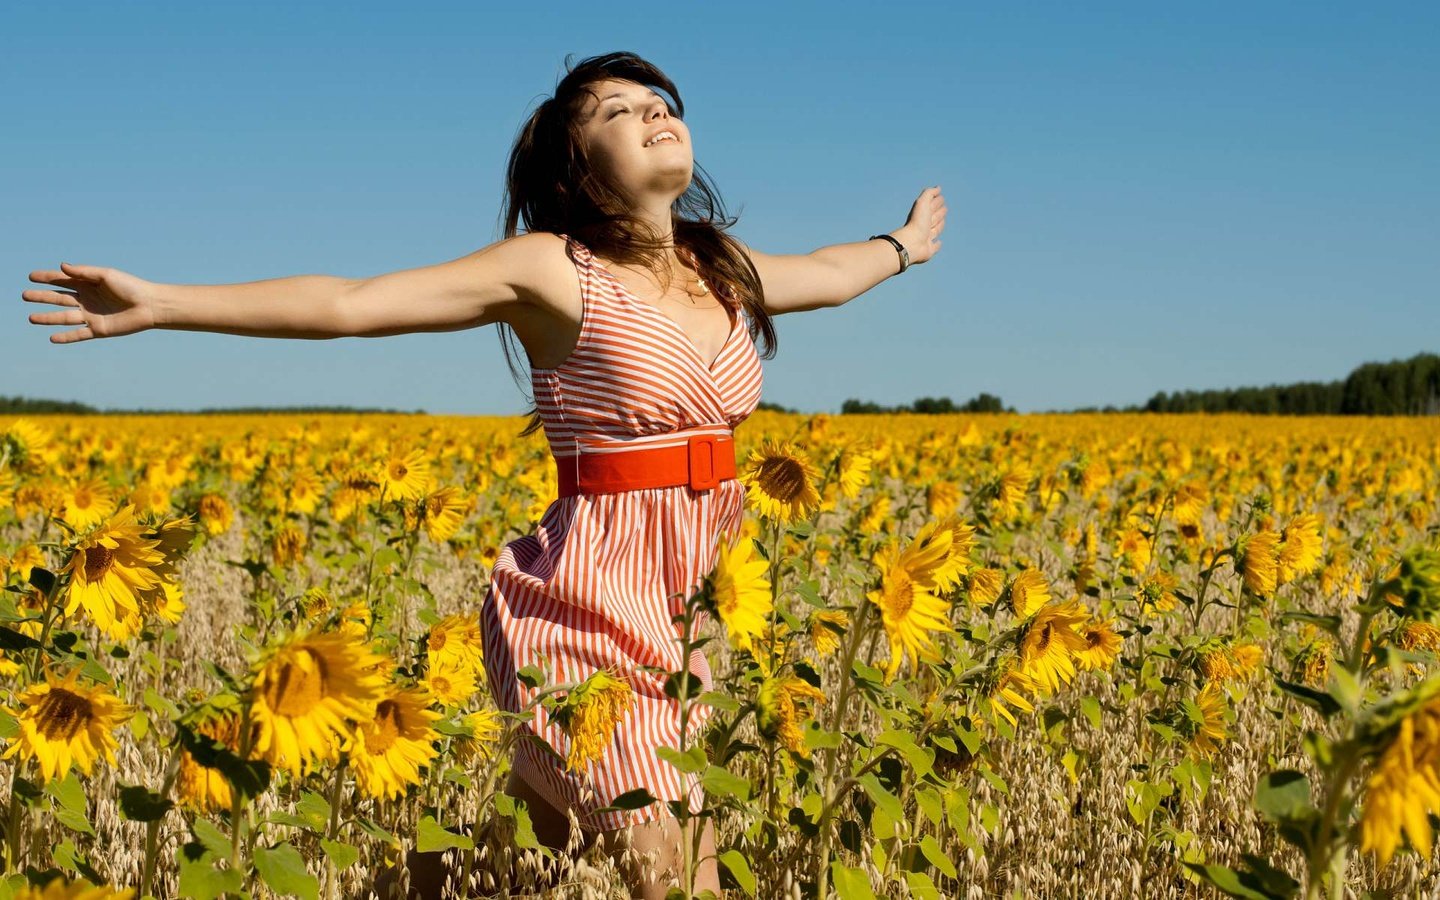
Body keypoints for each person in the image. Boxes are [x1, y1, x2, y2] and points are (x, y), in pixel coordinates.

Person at [22, 50, 945, 899]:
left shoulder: (720, 266)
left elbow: (825, 272)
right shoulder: (553, 271)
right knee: (674, 867)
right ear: (578, 167)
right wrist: (166, 303)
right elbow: (351, 304)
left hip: (695, 598)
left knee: (524, 851)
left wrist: (901, 246)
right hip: (586, 601)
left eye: (659, 102)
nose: (654, 113)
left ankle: (428, 877)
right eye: (619, 111)